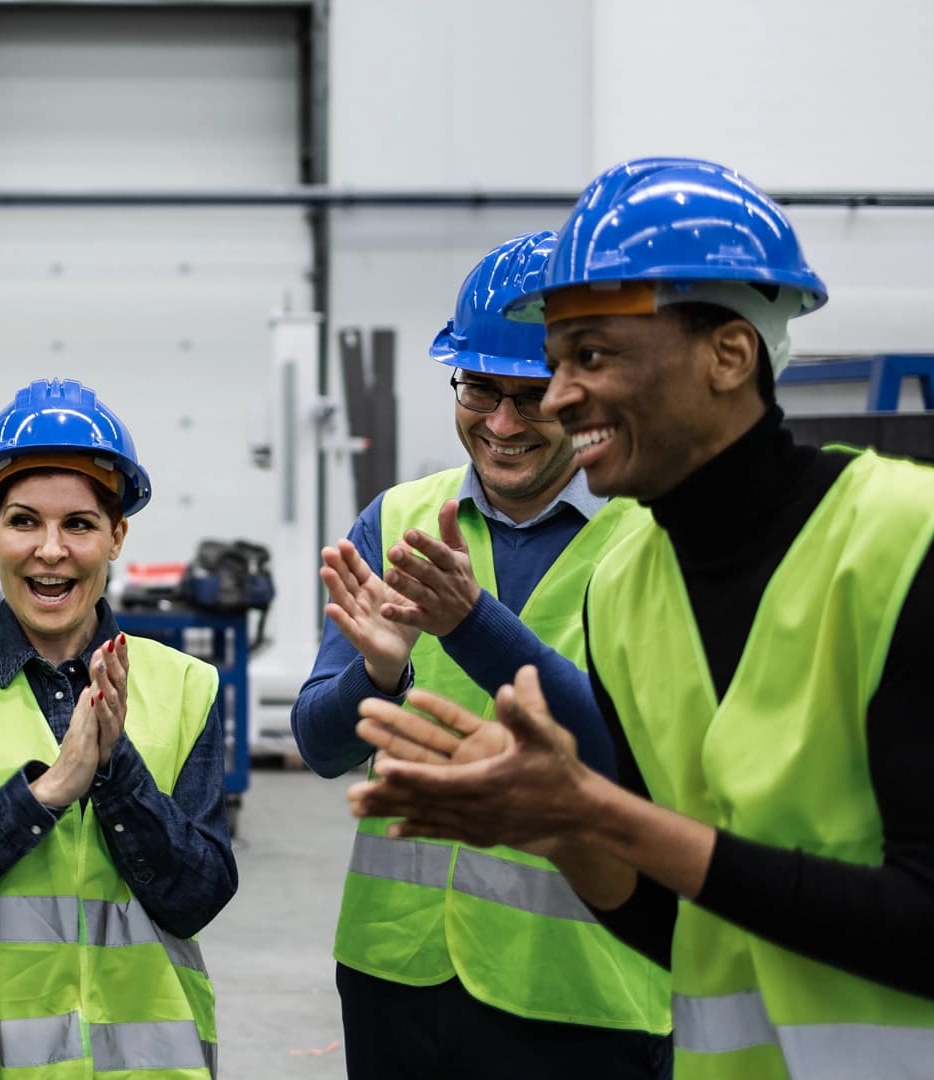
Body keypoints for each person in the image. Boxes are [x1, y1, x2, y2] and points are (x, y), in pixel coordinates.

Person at [349, 158, 934, 1078]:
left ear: (729, 354)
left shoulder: (903, 540)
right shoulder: (631, 587)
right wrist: (559, 828)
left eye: (592, 357)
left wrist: (608, 820)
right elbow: (674, 924)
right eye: (554, 363)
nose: (560, 397)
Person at [294, 232, 669, 1077]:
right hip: (397, 972)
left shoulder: (654, 535)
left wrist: (469, 623)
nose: (499, 424)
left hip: (586, 988)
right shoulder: (398, 518)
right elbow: (320, 748)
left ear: (581, 389)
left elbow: (632, 759)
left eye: (529, 396)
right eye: (477, 389)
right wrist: (380, 673)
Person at [0, 378, 236, 1078]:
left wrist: (118, 771)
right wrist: (44, 796)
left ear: (117, 535)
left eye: (81, 524)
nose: (51, 550)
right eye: (25, 521)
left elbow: (198, 896)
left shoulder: (187, 687)